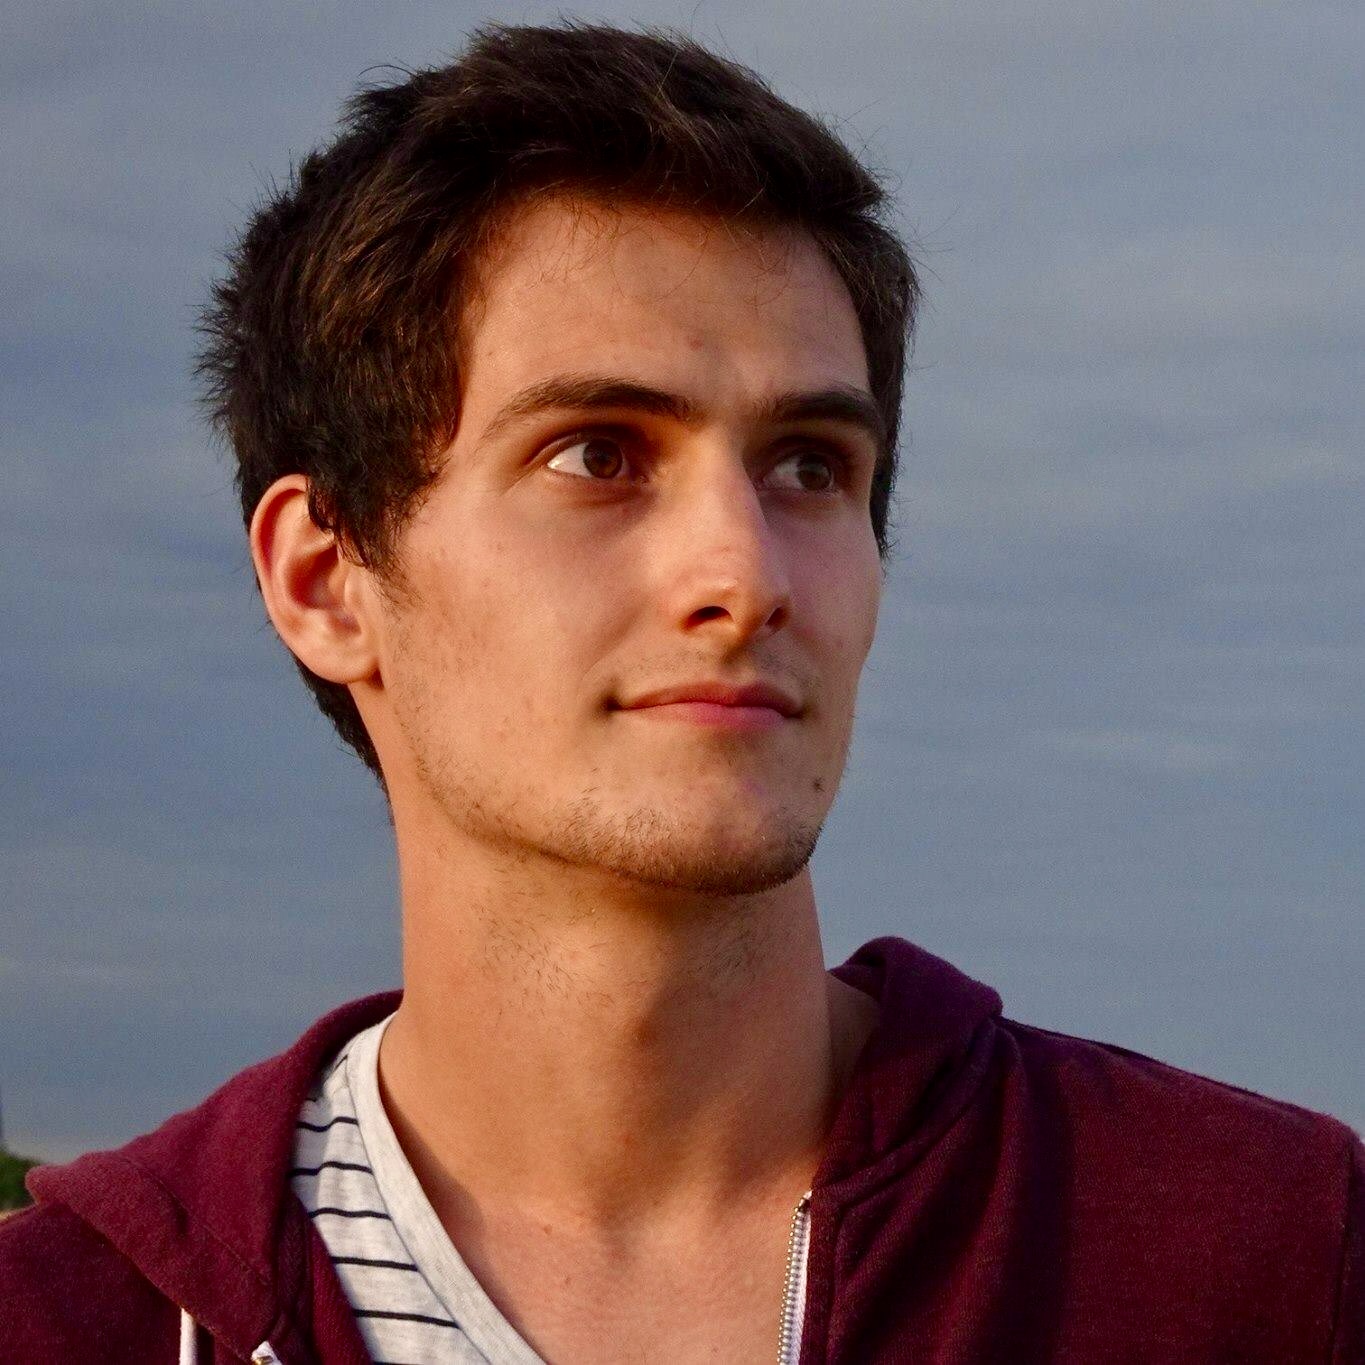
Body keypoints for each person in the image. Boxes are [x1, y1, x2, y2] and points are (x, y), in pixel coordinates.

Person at [2, 20, 1360, 1364]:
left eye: (809, 466)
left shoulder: (1269, 1260)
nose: (745, 574)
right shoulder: (71, 1323)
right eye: (597, 454)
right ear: (324, 580)